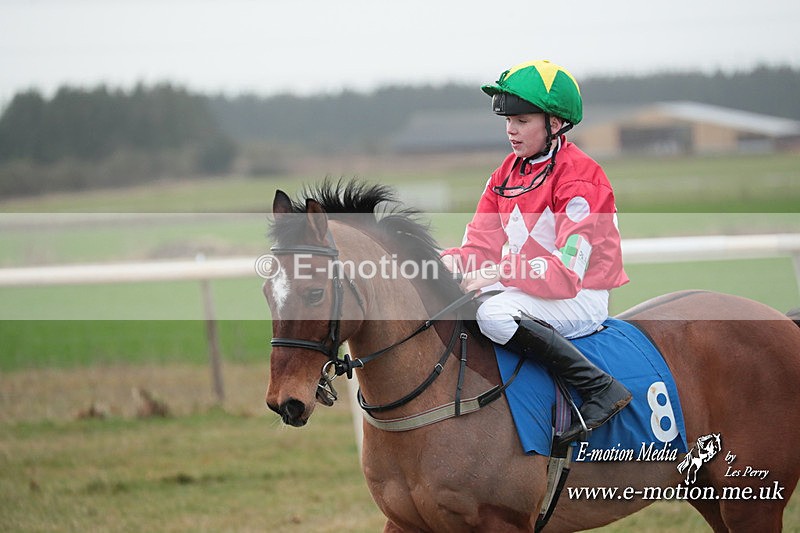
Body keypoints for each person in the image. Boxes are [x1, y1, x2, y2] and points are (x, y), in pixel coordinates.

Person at [441, 60, 631, 441]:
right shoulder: (505, 174)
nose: (511, 130)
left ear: (556, 122)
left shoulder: (580, 178)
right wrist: (436, 263)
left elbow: (565, 276)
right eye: (507, 120)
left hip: (581, 295)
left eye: (523, 119)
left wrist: (499, 271)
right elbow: (479, 248)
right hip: (527, 290)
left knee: (493, 314)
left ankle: (598, 387)